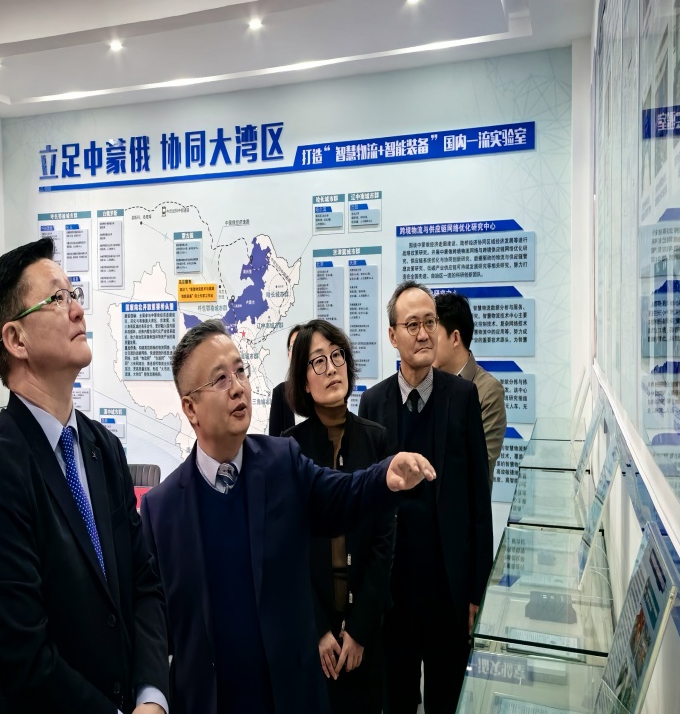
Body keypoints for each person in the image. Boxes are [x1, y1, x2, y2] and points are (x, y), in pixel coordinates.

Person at [141, 319, 434, 714]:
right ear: (190, 408)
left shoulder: (282, 462)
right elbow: (151, 623)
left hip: (290, 697)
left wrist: (384, 477)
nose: (238, 387)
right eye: (220, 379)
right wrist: (151, 697)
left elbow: (340, 496)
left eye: (240, 371)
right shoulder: (161, 510)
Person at [0, 238, 168, 714]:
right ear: (16, 340)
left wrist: (152, 697)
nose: (76, 309)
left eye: (74, 295)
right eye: (57, 298)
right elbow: (24, 657)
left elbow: (144, 584)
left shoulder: (103, 448)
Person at [358, 281, 493, 714]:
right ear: (392, 334)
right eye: (411, 324)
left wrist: (478, 592)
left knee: (446, 701)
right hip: (393, 592)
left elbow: (479, 500)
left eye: (429, 323)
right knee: (396, 701)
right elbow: (366, 502)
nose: (422, 334)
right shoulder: (373, 403)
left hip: (448, 590)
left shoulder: (463, 397)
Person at [282, 319, 393, 714]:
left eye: (337, 356)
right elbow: (288, 550)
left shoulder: (376, 438)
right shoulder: (289, 449)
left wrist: (359, 630)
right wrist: (318, 630)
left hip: (365, 631)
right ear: (303, 380)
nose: (331, 369)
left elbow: (384, 542)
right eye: (318, 362)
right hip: (313, 633)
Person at [434, 291, 507, 484]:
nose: (426, 342)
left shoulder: (488, 391)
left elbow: (480, 464)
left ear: (455, 338)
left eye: (433, 335)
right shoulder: (426, 385)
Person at [268, 323, 304, 435]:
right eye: (293, 346)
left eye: (301, 345)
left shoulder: (319, 389)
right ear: (289, 353)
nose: (297, 351)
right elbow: (273, 439)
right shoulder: (280, 392)